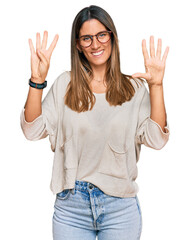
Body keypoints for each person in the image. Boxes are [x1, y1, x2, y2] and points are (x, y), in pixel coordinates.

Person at [20, 5, 170, 240]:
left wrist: (156, 87)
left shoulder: (134, 88)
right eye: (86, 38)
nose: (95, 44)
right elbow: (32, 130)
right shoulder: (65, 85)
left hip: (119, 208)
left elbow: (157, 139)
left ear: (112, 37)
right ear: (78, 45)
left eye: (101, 35)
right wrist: (37, 81)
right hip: (72, 208)